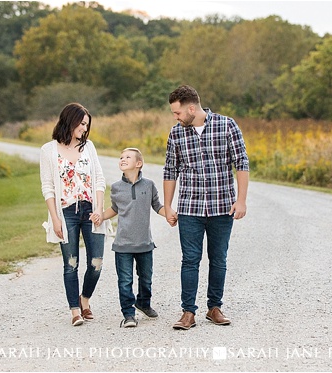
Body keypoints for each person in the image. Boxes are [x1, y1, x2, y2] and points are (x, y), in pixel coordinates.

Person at [164, 85, 249, 330]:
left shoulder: (227, 125)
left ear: (192, 108)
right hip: (190, 206)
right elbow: (170, 170)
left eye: (178, 113)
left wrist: (241, 200)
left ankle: (215, 308)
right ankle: (188, 312)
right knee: (190, 259)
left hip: (222, 206)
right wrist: (168, 206)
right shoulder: (176, 134)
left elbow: (241, 162)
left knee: (218, 258)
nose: (175, 117)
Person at [40, 103, 107, 326]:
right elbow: (48, 187)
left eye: (87, 125)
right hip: (65, 212)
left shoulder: (89, 147)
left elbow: (99, 179)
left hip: (90, 210)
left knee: (96, 262)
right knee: (71, 263)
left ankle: (85, 299)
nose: (85, 129)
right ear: (70, 120)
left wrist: (99, 208)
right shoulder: (48, 150)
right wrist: (55, 218)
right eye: (82, 123)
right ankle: (75, 310)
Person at [101, 148, 167, 328]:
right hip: (122, 244)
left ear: (138, 164)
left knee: (146, 278)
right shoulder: (116, 187)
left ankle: (143, 303)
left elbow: (157, 206)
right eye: (121, 156)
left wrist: (169, 214)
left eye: (127, 157)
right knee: (125, 281)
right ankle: (128, 314)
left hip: (145, 243)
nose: (122, 159)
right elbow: (114, 208)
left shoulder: (149, 185)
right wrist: (101, 216)